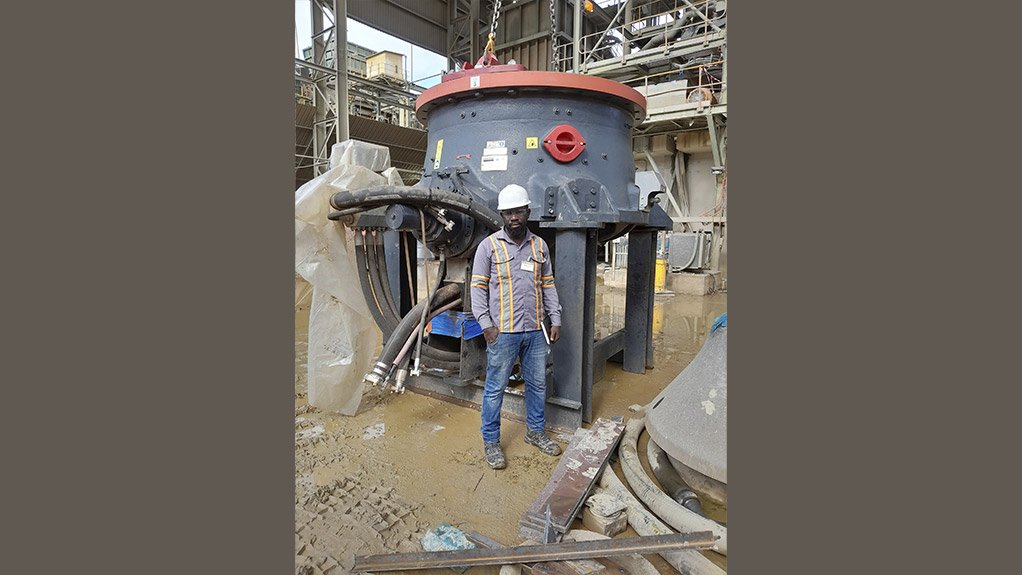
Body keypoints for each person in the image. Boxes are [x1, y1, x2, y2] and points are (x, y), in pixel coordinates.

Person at [470, 184, 563, 469]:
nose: (514, 217)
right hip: (503, 332)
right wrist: (486, 325)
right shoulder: (488, 247)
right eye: (509, 213)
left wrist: (555, 318)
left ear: (527, 212)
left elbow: (547, 283)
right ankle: (491, 442)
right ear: (501, 215)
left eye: (519, 212)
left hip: (535, 331)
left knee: (536, 384)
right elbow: (477, 288)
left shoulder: (539, 246)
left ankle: (535, 433)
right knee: (495, 389)